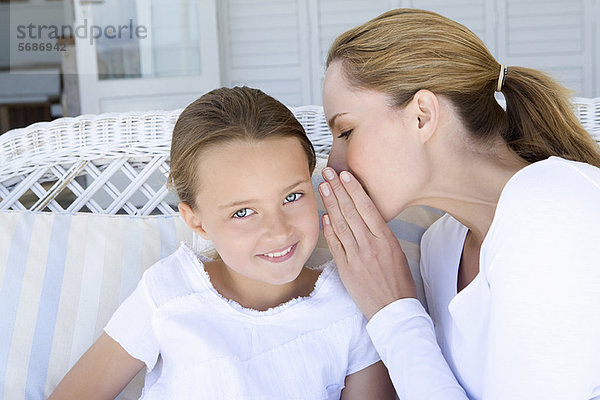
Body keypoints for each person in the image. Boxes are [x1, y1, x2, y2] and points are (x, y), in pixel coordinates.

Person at [317, 8, 600, 400]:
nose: (332, 163)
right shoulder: (440, 247)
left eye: (346, 131)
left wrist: (393, 312)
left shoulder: (556, 208)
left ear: (422, 116)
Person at [49, 87, 395, 399]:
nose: (277, 230)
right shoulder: (169, 293)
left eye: (292, 196)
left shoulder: (349, 305)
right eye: (243, 212)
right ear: (196, 221)